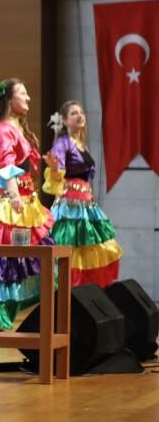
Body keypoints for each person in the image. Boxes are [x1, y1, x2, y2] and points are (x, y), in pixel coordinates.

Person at [0, 79, 55, 331]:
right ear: (9, 100)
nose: (29, 98)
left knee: (29, 259)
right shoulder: (3, 130)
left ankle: (3, 316)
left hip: (25, 202)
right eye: (23, 93)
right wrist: (14, 196)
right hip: (12, 205)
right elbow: (6, 165)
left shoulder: (18, 127)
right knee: (6, 261)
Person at [43, 100, 122, 287]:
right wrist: (54, 169)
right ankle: (68, 292)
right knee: (71, 248)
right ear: (64, 120)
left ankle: (83, 292)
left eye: (81, 112)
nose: (79, 115)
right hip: (70, 206)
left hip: (87, 204)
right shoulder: (63, 143)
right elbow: (57, 173)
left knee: (91, 248)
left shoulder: (81, 144)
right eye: (73, 113)